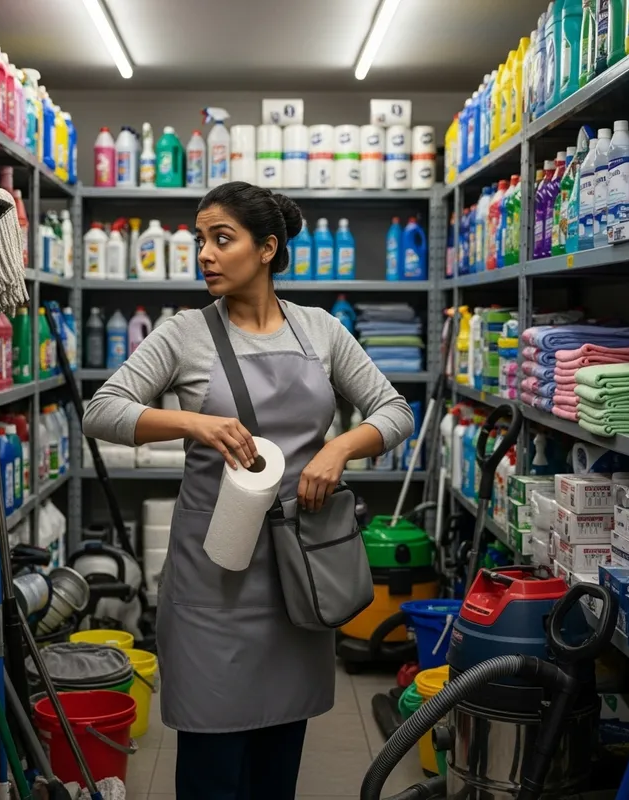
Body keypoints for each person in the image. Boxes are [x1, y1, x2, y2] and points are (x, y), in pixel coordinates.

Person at [83, 181, 414, 799]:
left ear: (267, 248)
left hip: (300, 571)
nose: (204, 254)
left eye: (221, 239)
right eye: (199, 240)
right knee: (211, 762)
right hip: (215, 576)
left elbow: (394, 412)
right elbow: (101, 411)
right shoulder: (185, 334)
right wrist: (192, 422)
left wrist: (339, 448)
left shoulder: (320, 331)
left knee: (277, 757)